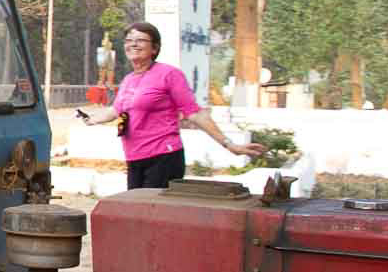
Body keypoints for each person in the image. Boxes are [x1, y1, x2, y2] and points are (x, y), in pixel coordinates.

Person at [78, 21, 264, 189]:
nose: (133, 44)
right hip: (134, 157)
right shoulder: (128, 80)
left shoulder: (169, 74)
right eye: (129, 40)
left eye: (140, 40)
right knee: (136, 215)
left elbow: (195, 114)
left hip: (162, 157)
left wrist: (229, 144)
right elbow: (116, 110)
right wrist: (91, 119)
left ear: (154, 48)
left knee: (152, 217)